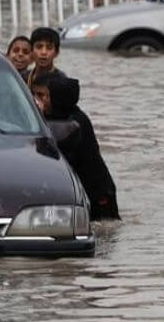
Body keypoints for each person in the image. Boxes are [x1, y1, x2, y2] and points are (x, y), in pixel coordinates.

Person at [31, 75, 120, 221]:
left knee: (104, 235)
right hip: (81, 193)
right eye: (34, 95)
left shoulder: (75, 124)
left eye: (42, 95)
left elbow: (50, 152)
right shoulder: (57, 117)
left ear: (57, 98)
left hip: (98, 194)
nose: (37, 100)